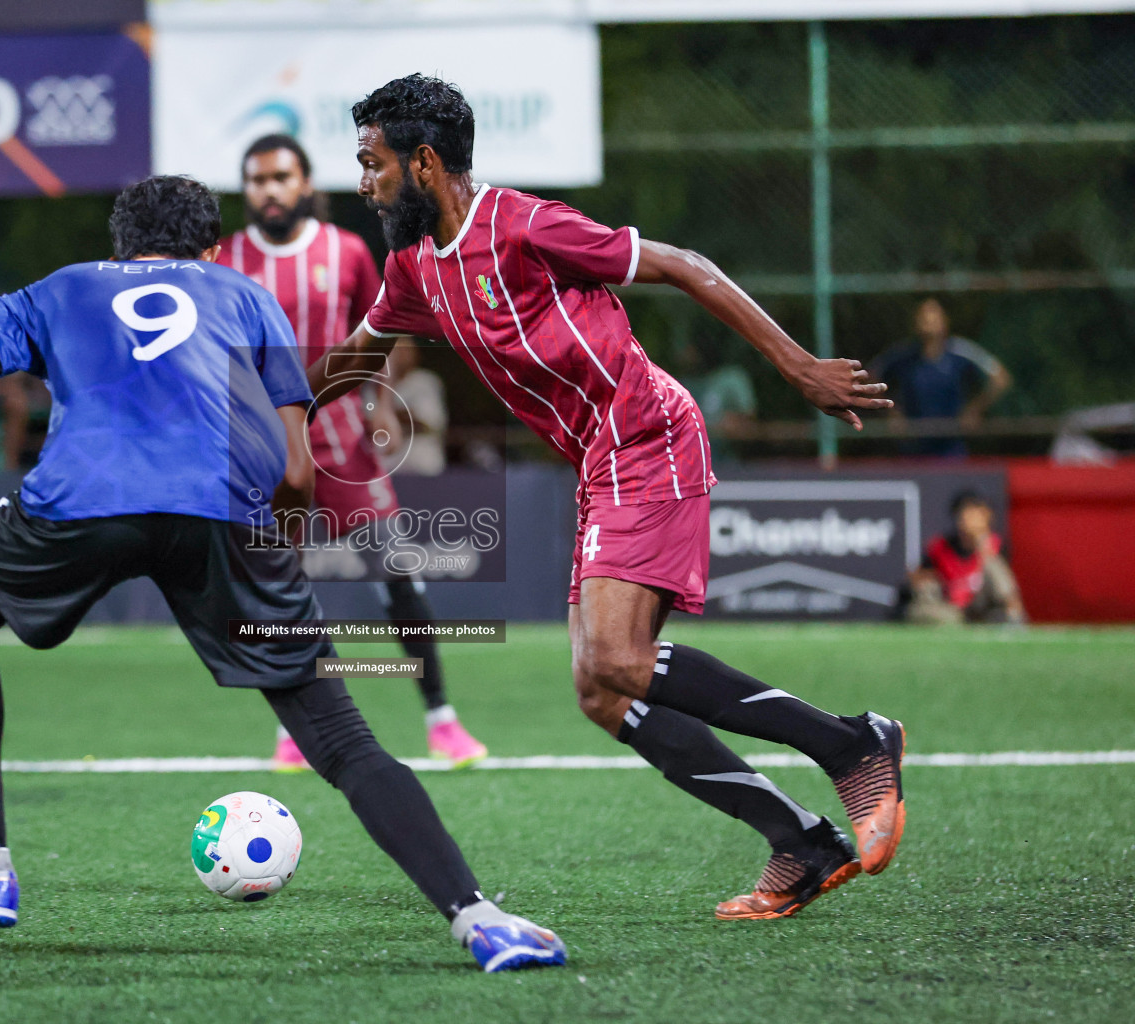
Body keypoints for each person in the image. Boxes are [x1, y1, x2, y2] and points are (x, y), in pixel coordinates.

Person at [0, 175, 563, 973]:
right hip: (222, 511)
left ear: (119, 246)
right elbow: (297, 470)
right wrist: (273, 554)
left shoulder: (65, 287)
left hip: (84, 499)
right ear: (210, 246)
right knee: (343, 740)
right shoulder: (244, 294)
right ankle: (480, 918)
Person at [312, 74, 907, 921]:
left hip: (647, 434)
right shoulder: (413, 268)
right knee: (603, 694)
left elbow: (682, 265)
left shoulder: (520, 225)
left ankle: (852, 743)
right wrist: (268, 413)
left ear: (427, 162)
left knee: (618, 662)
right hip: (599, 464)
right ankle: (800, 839)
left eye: (372, 163)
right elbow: (354, 358)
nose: (363, 181)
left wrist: (796, 365)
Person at [218, 135, 487, 771]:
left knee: (397, 574)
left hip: (343, 441)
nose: (270, 189)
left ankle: (442, 720)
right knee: (281, 588)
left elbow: (384, 328)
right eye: (257, 180)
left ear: (306, 182)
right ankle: (297, 729)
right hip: (265, 446)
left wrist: (381, 407)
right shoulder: (225, 260)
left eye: (282, 176)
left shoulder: (345, 251)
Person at [870, 298, 1012, 457]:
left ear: (945, 321)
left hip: (951, 446)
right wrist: (892, 412)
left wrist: (974, 409)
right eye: (923, 316)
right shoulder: (904, 355)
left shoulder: (960, 351)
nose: (928, 321)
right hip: (913, 446)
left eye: (933, 316)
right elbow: (871, 376)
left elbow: (1000, 378)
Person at [905, 491, 1026, 625]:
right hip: (951, 608)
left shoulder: (995, 545)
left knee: (994, 568)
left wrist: (982, 543)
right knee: (921, 610)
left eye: (977, 514)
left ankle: (1013, 617)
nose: (970, 519)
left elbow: (1002, 584)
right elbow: (920, 580)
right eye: (967, 513)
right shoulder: (940, 547)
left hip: (981, 606)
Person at [385, 338, 449, 476]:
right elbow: (366, 422)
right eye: (396, 351)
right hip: (387, 463)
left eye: (406, 350)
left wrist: (386, 413)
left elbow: (428, 423)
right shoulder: (374, 384)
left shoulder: (426, 381)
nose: (401, 355)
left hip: (422, 462)